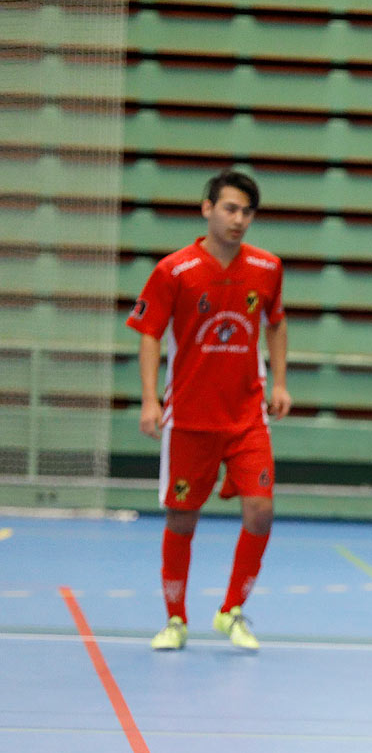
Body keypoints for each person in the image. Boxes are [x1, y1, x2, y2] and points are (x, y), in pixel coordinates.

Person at [128, 169, 290, 652]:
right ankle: (175, 619)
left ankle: (231, 611)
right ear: (207, 209)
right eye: (230, 209)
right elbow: (150, 333)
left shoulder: (266, 268)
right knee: (182, 520)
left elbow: (276, 324)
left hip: (246, 417)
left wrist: (279, 382)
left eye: (247, 212)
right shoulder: (173, 271)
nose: (239, 219)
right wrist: (149, 397)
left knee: (260, 512)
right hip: (190, 419)